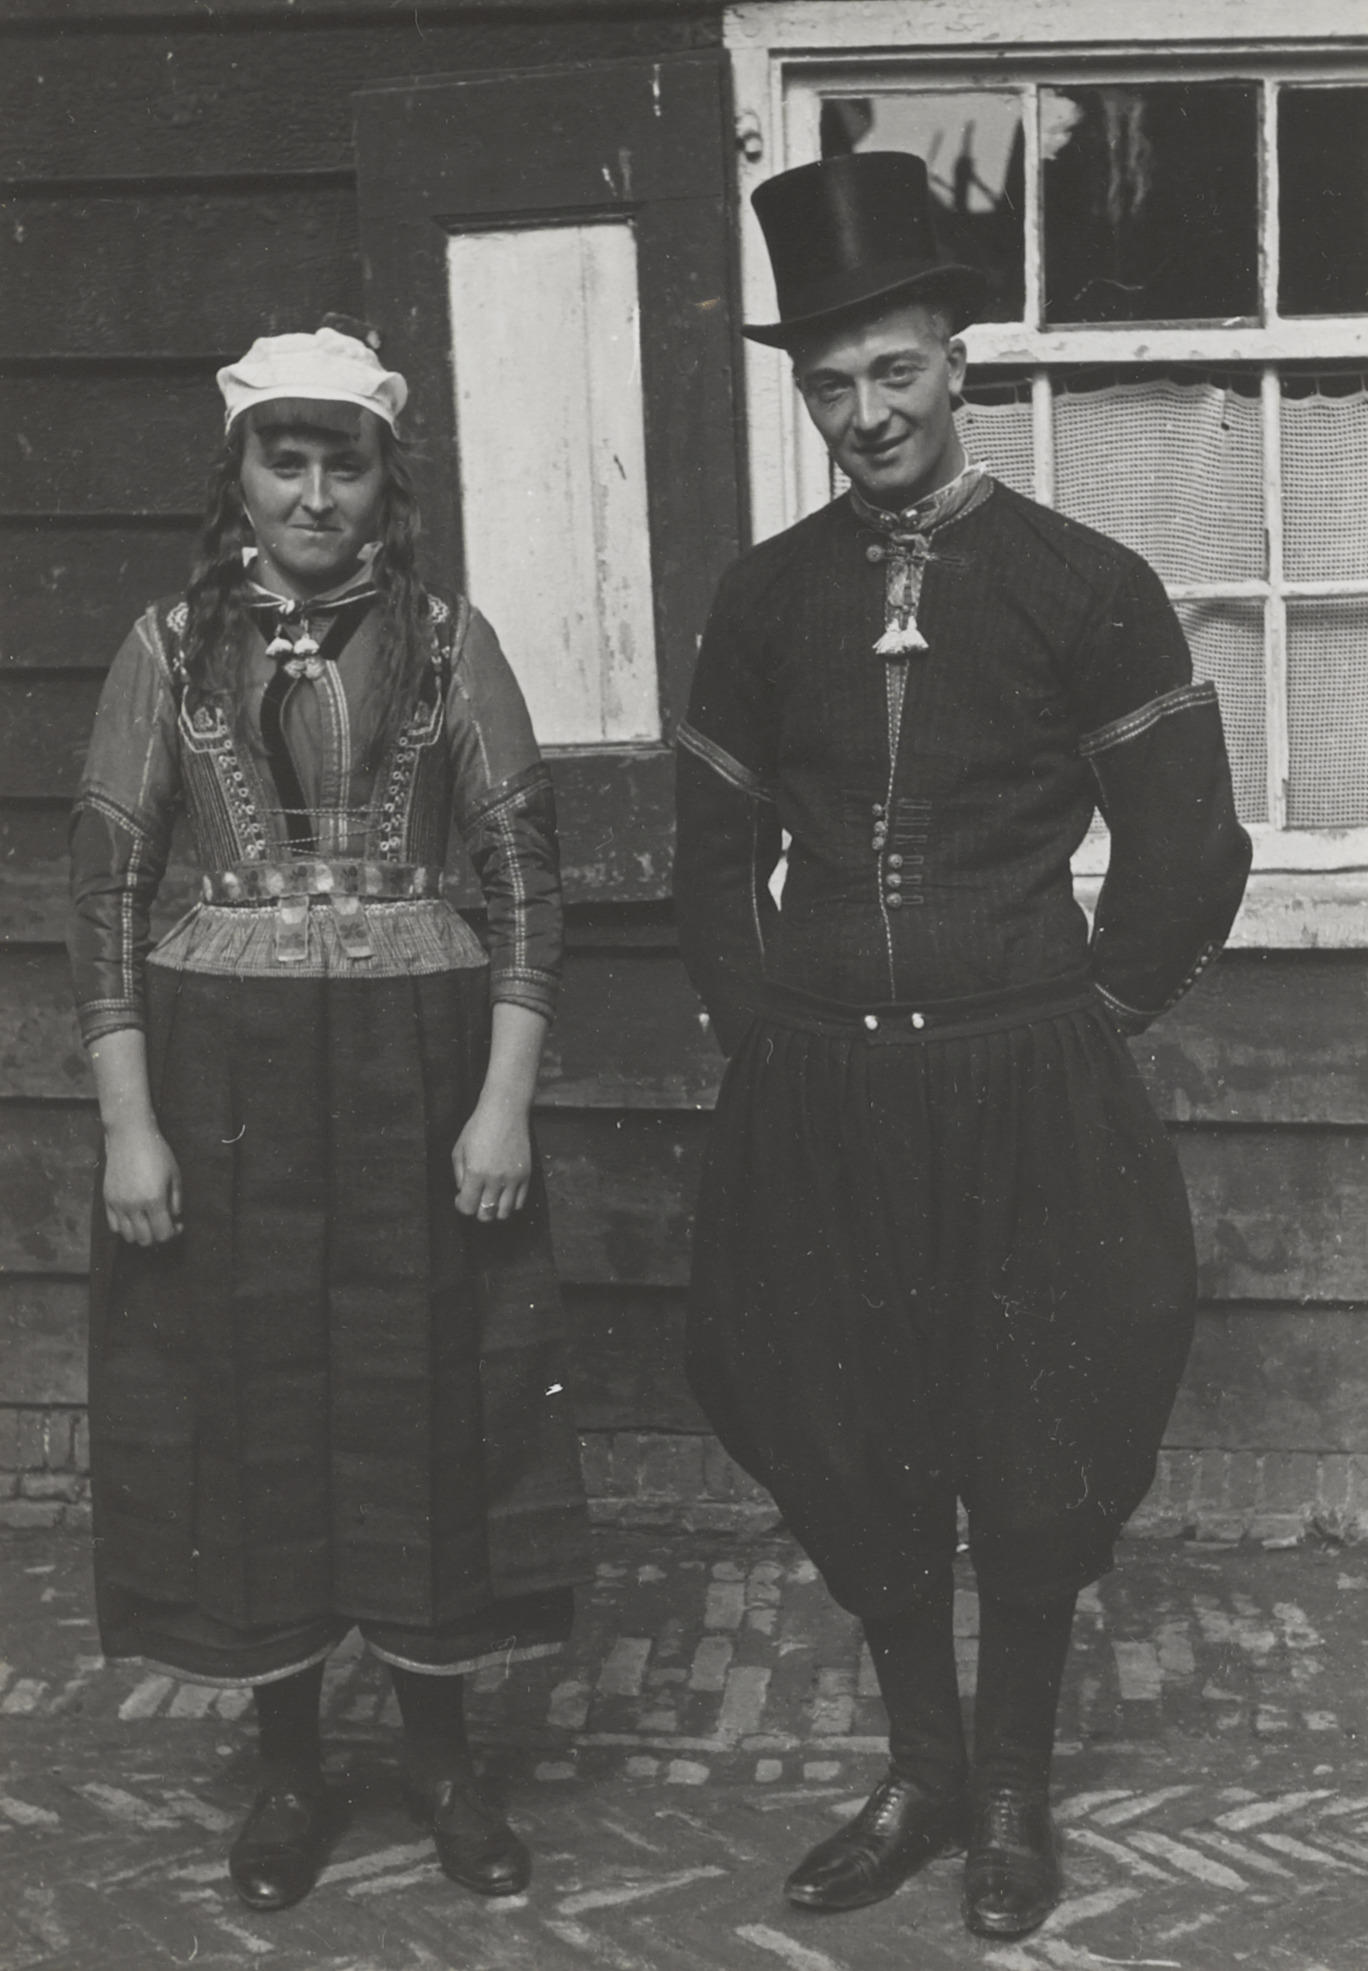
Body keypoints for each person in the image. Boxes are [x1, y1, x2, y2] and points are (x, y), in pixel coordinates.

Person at [674, 154, 1251, 1941]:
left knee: (1033, 1427)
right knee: (854, 1429)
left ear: (957, 362)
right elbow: (711, 856)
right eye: (831, 384)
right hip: (826, 1092)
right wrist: (768, 1033)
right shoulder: (768, 599)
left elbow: (1189, 848)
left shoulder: (1085, 584)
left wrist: (1089, 1023)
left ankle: (1009, 1792)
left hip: (1027, 1087)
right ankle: (919, 1771)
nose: (868, 415)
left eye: (897, 372)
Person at [68, 319, 589, 1912]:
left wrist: (503, 1106)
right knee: (252, 1399)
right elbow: (103, 901)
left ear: (386, 480)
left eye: (341, 463)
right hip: (221, 1079)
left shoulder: (448, 645)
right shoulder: (167, 650)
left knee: (427, 1393)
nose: (313, 494)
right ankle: (290, 1767)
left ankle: (442, 1759)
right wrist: (130, 1127)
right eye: (282, 461)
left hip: (416, 1074)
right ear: (236, 475)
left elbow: (525, 882)